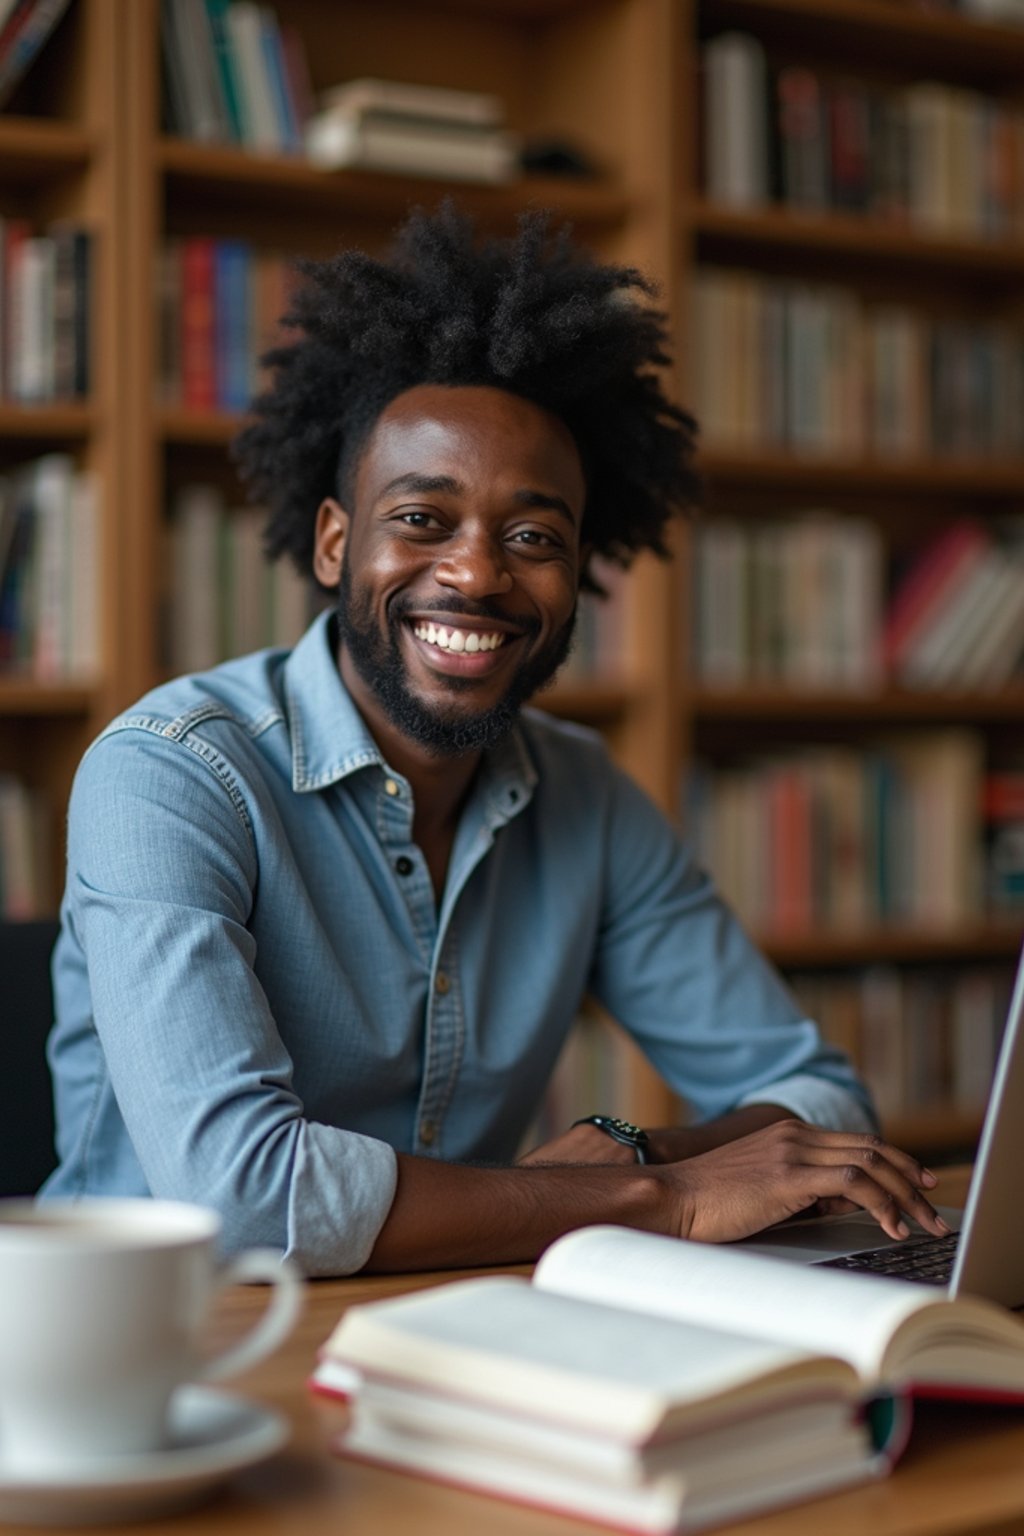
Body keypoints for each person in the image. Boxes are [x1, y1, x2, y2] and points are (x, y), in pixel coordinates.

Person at [41, 204, 947, 1274]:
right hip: (166, 1347)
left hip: (456, 1309)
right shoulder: (171, 775)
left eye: (531, 536)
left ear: (579, 578)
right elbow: (243, 1200)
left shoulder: (585, 794)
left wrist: (632, 1152)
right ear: (336, 544)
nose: (475, 573)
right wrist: (658, 1199)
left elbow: (817, 1096)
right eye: (422, 519)